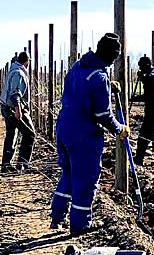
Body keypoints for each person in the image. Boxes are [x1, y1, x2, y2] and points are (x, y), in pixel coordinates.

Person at [50, 33, 130, 235]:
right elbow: (103, 114)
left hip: (64, 128)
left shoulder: (78, 66)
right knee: (85, 179)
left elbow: (80, 89)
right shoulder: (99, 77)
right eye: (115, 57)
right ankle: (80, 225)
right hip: (83, 134)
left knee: (68, 173)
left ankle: (57, 217)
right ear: (112, 57)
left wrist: (107, 87)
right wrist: (119, 129)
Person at [0, 51, 35, 173]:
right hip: (13, 108)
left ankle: (6, 165)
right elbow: (15, 94)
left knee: (11, 133)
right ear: (27, 62)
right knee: (30, 134)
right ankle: (23, 164)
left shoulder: (13, 70)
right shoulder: (19, 73)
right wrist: (18, 110)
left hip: (7, 107)